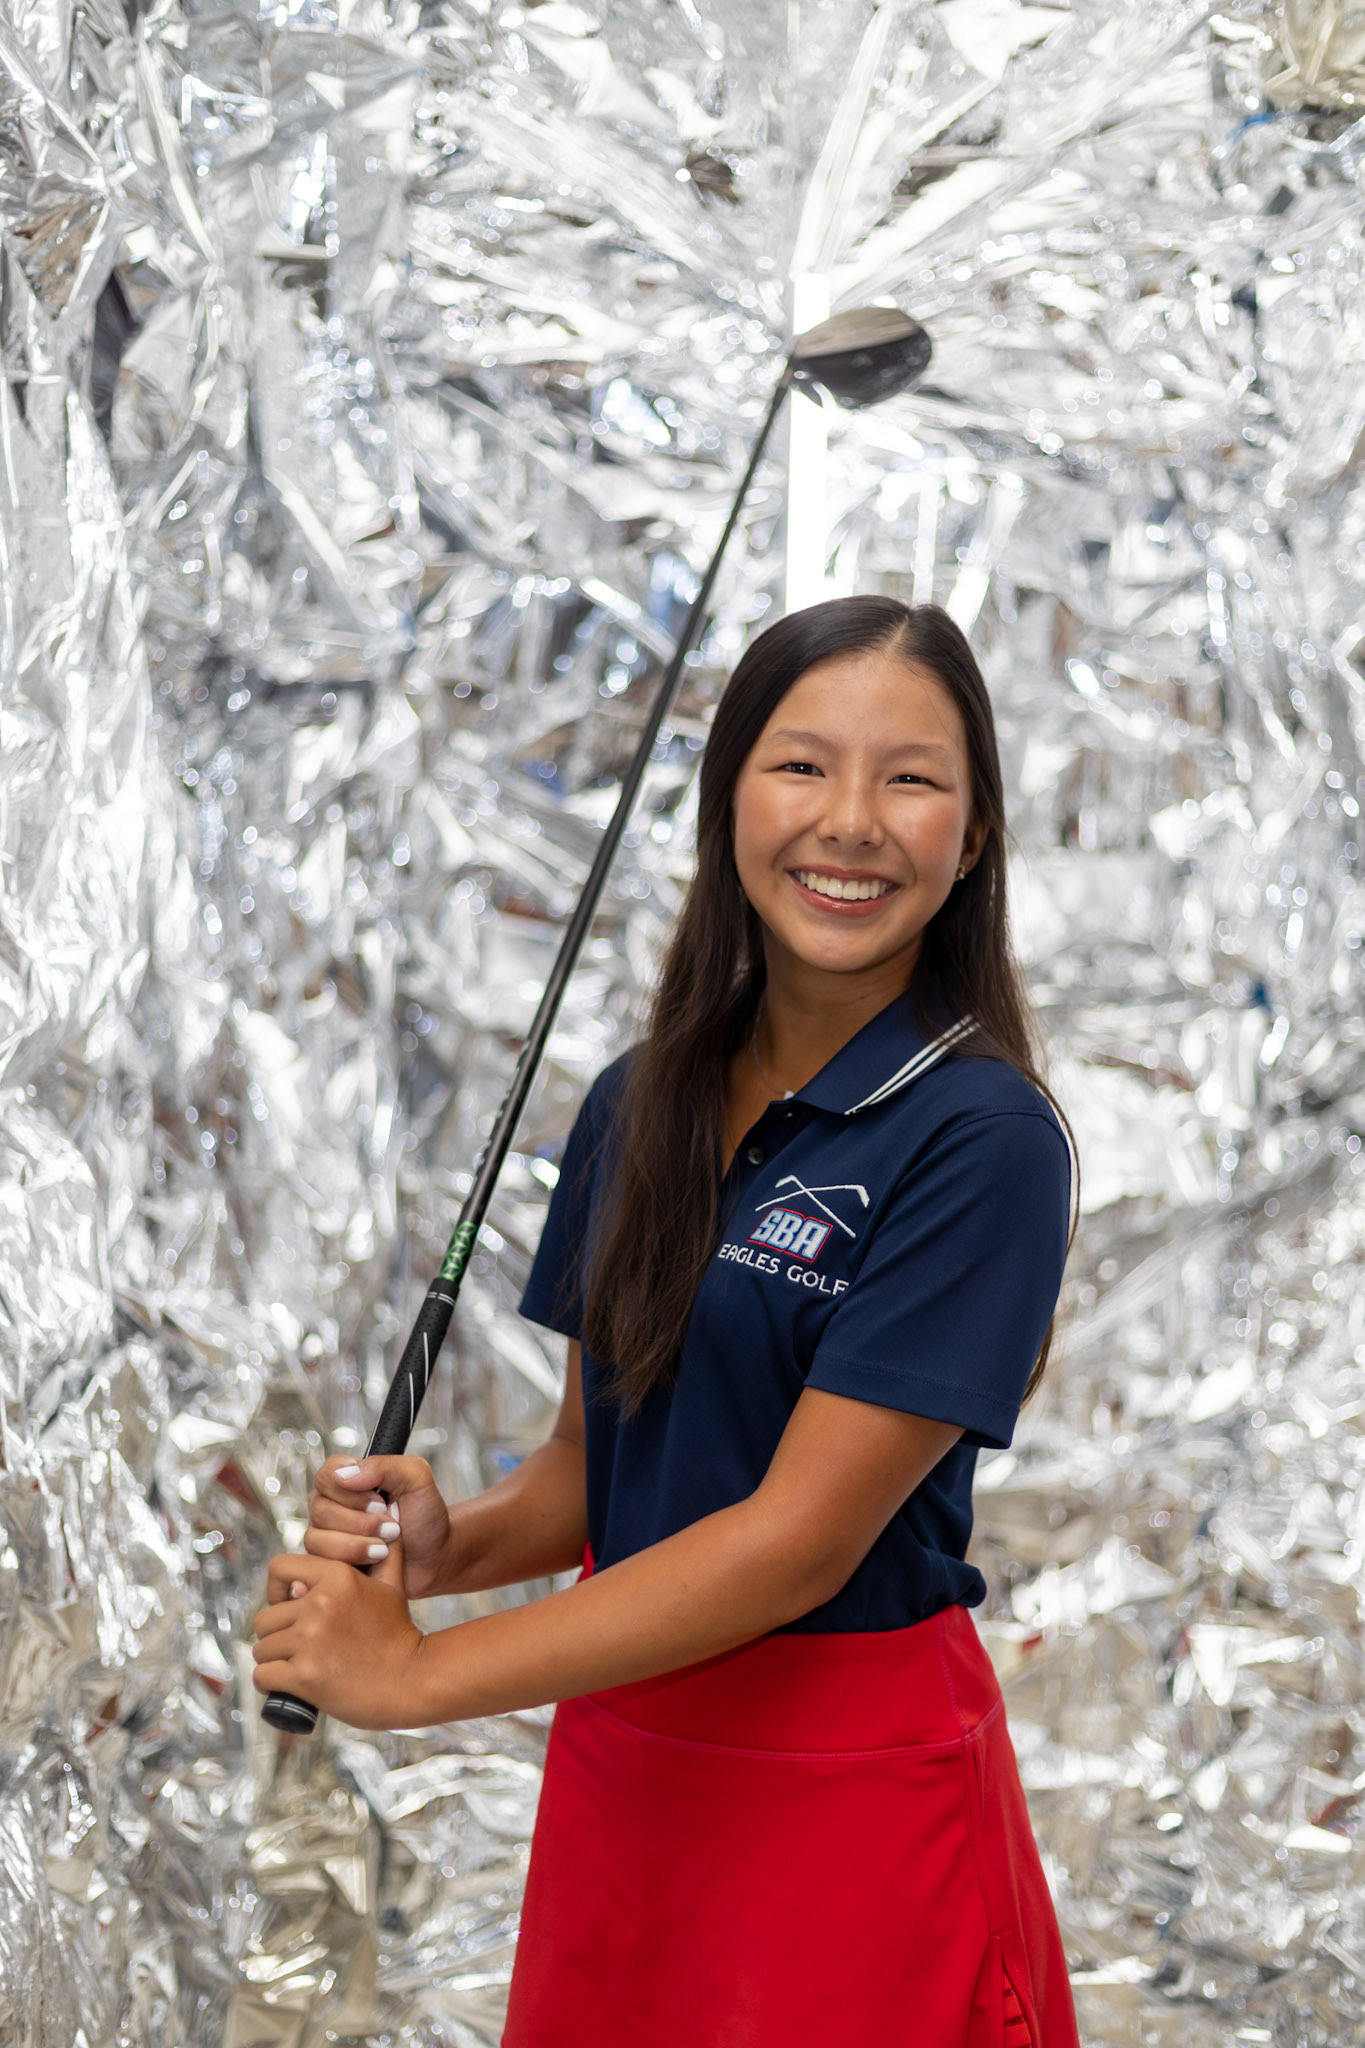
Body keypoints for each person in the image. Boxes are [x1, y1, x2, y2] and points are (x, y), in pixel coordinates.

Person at [252, 596, 1080, 2048]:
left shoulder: (982, 1135)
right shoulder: (639, 1098)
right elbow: (598, 1469)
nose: (851, 821)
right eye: (801, 765)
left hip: (847, 1794)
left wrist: (414, 1675)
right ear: (726, 802)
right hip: (629, 1773)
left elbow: (794, 1541)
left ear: (975, 832)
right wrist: (460, 1547)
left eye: (910, 777)